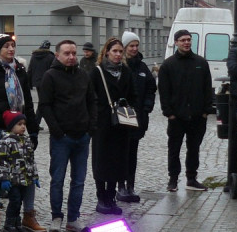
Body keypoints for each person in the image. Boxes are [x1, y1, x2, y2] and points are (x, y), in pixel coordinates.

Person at [0, 34, 43, 232]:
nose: (11, 49)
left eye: (13, 46)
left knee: (27, 169)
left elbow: (27, 101)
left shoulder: (20, 70)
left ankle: (29, 214)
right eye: (6, 46)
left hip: (18, 124)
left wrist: (34, 130)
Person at [39, 40, 96, 232]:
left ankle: (73, 218)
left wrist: (90, 127)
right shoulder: (50, 76)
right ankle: (56, 216)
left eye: (74, 53)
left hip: (82, 136)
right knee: (57, 179)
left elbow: (91, 102)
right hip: (61, 137)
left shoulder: (83, 75)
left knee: (78, 180)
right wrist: (57, 131)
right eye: (67, 53)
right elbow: (45, 105)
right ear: (57, 55)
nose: (71, 57)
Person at [158, 29, 214, 193]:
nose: (186, 42)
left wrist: (205, 111)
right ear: (176, 42)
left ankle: (191, 178)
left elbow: (207, 88)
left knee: (194, 148)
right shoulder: (168, 65)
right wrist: (169, 113)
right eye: (182, 40)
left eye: (188, 39)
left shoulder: (201, 63)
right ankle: (173, 179)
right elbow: (164, 91)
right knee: (174, 149)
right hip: (177, 117)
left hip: (197, 115)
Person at [89, 37, 134, 215]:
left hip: (121, 123)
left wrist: (131, 112)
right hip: (102, 123)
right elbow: (91, 97)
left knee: (118, 162)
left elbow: (133, 95)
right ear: (107, 52)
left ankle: (111, 197)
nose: (117, 55)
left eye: (120, 51)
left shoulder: (126, 72)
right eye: (114, 51)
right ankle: (102, 198)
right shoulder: (97, 72)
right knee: (102, 161)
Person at [119, 31, 157, 203]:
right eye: (131, 46)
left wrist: (147, 107)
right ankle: (120, 186)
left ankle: (130, 185)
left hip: (138, 117)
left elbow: (151, 88)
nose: (134, 49)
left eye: (136, 45)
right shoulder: (119, 66)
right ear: (125, 47)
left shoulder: (142, 68)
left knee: (132, 154)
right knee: (121, 152)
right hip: (121, 117)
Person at [0, 111, 39, 232]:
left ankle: (17, 222)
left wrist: (34, 176)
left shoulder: (26, 140)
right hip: (12, 179)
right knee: (14, 200)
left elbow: (31, 160)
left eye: (24, 124)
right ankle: (9, 223)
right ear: (11, 126)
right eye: (19, 124)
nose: (23, 127)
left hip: (24, 178)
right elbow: (2, 162)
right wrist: (4, 179)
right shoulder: (5, 142)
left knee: (19, 200)